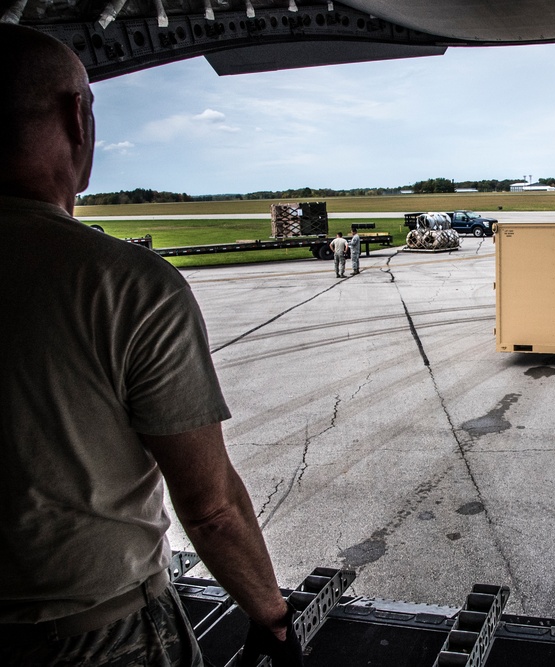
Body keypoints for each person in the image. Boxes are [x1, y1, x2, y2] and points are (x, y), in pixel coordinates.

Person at [0, 24, 300, 666]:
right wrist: (273, 618)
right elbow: (211, 508)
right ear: (77, 119)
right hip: (89, 632)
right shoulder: (123, 286)